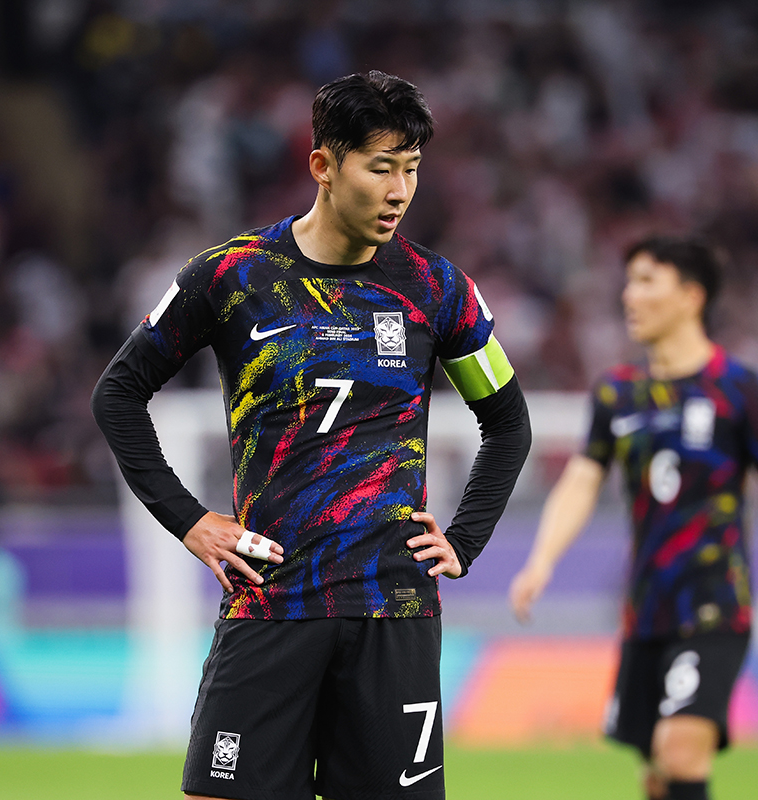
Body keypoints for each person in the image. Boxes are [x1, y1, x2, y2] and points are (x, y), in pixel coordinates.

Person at [92, 71, 531, 800]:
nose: (399, 191)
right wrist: (192, 522)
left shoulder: (437, 288)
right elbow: (118, 393)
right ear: (324, 165)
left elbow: (508, 420)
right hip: (272, 598)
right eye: (381, 168)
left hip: (392, 607)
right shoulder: (232, 276)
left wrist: (466, 538)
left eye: (412, 169)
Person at [508, 238, 758, 800]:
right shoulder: (618, 393)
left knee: (680, 749)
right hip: (646, 610)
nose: (628, 296)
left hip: (715, 604)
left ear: (691, 296)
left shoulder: (742, 389)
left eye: (645, 281)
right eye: (628, 282)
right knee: (660, 776)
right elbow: (583, 480)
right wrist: (540, 561)